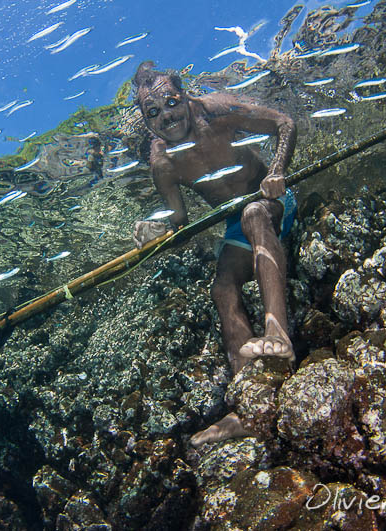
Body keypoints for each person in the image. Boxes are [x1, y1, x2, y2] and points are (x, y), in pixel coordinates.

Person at [131, 61, 298, 447]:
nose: (166, 117)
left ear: (185, 96)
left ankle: (278, 334)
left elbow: (284, 123)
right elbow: (179, 219)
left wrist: (277, 172)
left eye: (170, 102)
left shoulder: (218, 110)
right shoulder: (162, 162)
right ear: (145, 120)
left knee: (255, 212)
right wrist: (159, 228)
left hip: (273, 204)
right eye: (153, 112)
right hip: (234, 226)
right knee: (222, 289)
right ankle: (248, 403)